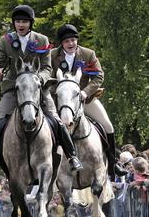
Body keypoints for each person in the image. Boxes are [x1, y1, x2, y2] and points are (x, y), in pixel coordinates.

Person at [0, 5, 83, 176]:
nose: (20, 25)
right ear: (14, 23)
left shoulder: (42, 40)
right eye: (18, 21)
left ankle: (72, 156)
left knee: (57, 121)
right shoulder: (5, 40)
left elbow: (46, 67)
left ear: (30, 23)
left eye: (24, 22)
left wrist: (38, 80)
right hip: (14, 89)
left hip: (38, 89)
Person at [50, 24, 125, 180]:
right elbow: (45, 74)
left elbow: (98, 76)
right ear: (61, 44)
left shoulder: (88, 54)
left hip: (84, 99)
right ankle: (46, 166)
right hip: (60, 101)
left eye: (73, 40)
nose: (70, 44)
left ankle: (113, 163)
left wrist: (85, 92)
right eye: (66, 42)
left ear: (76, 40)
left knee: (108, 126)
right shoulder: (52, 56)